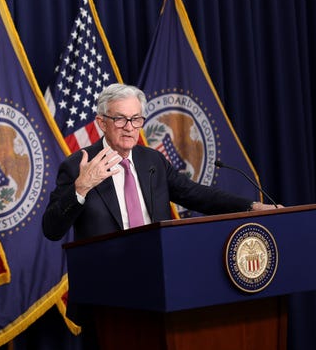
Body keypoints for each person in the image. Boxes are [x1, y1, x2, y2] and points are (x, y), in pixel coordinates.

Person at [43, 83, 278, 242]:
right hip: (106, 284)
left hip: (158, 275)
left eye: (136, 119)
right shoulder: (78, 166)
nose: (129, 127)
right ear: (102, 122)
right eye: (120, 119)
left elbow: (198, 195)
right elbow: (51, 230)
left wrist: (251, 207)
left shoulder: (152, 160)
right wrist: (81, 188)